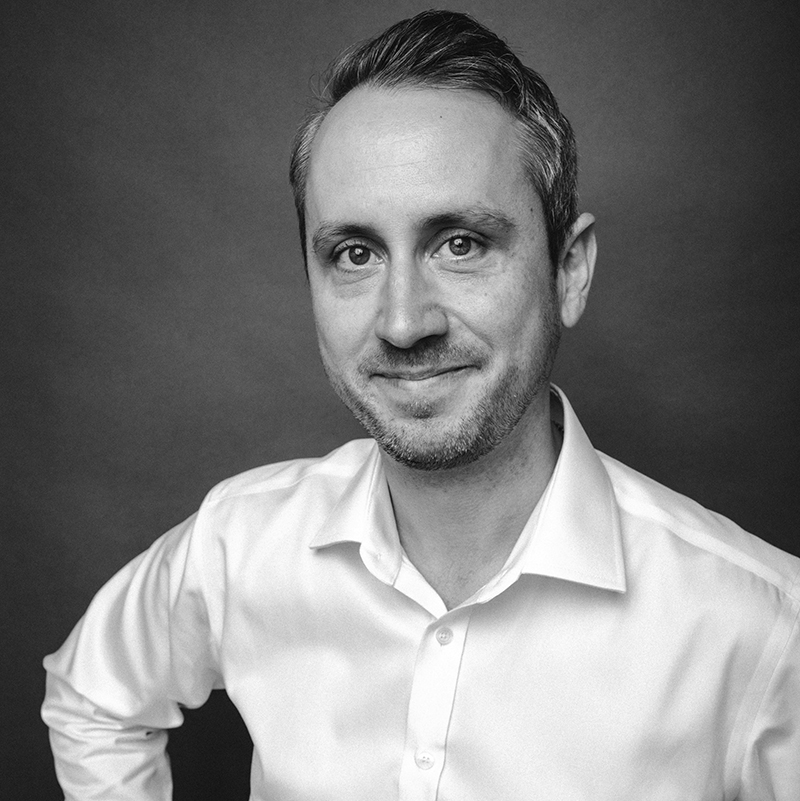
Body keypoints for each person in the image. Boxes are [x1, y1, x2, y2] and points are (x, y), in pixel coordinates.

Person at [42, 10, 799, 800]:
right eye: (356, 253)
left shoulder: (763, 630)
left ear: (568, 270)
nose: (404, 322)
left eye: (460, 243)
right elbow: (92, 698)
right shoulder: (241, 542)